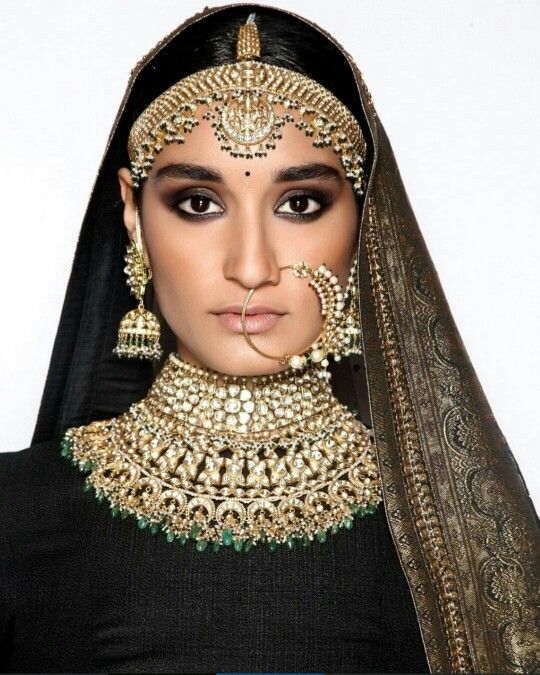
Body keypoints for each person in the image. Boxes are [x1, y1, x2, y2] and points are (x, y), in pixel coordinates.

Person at [0, 4, 537, 673]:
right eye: (199, 203)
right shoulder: (15, 518)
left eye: (299, 204)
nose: (252, 267)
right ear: (133, 212)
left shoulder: (459, 540)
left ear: (365, 219)